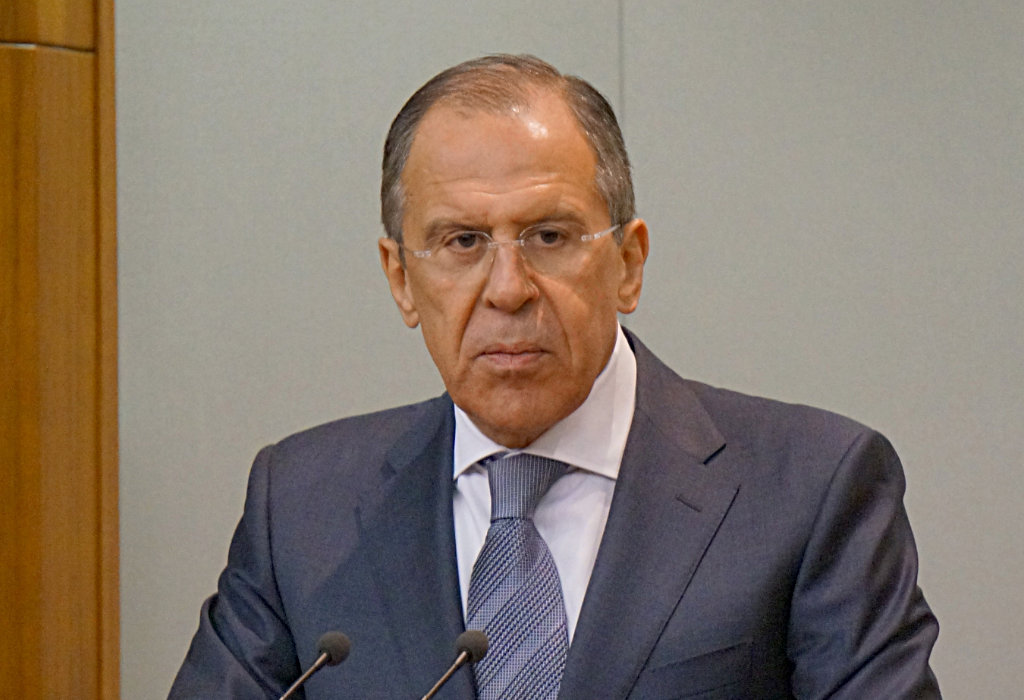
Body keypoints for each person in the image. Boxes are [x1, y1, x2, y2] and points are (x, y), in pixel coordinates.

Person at [170, 54, 940, 699]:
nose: (508, 289)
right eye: (463, 242)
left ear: (628, 263)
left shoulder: (811, 490)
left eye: (548, 236)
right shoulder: (301, 508)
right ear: (401, 279)